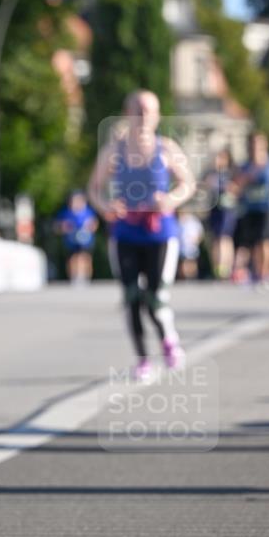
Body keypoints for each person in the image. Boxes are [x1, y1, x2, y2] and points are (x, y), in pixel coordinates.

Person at [88, 90, 196, 383]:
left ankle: (168, 340)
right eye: (138, 109)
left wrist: (170, 200)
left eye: (149, 110)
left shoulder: (167, 148)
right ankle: (143, 360)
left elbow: (188, 184)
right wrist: (106, 206)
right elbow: (94, 188)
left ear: (158, 115)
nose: (144, 115)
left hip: (160, 232)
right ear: (127, 112)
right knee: (131, 296)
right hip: (125, 231)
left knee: (155, 296)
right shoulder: (113, 151)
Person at [232, 131, 269, 284]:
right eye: (253, 143)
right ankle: (258, 272)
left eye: (259, 143)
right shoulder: (245, 166)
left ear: (265, 145)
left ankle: (267, 273)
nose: (256, 147)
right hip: (250, 208)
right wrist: (246, 178)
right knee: (256, 242)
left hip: (268, 207)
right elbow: (235, 186)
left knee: (266, 240)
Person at [203, 148, 238, 280]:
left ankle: (226, 268)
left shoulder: (230, 173)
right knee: (215, 238)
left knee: (225, 238)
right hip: (215, 209)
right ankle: (217, 268)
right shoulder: (211, 174)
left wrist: (229, 187)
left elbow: (237, 189)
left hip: (227, 210)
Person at [54, 190, 98, 283]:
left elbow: (94, 224)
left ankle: (85, 277)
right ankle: (74, 277)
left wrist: (90, 226)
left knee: (85, 257)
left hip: (86, 240)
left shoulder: (88, 212)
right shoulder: (65, 213)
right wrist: (64, 227)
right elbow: (57, 226)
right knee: (73, 258)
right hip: (71, 240)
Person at [177, 211, 204, 280]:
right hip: (182, 248)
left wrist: (196, 241)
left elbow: (200, 234)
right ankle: (184, 276)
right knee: (184, 262)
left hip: (192, 247)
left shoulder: (194, 221)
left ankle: (192, 276)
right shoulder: (179, 221)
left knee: (192, 262)